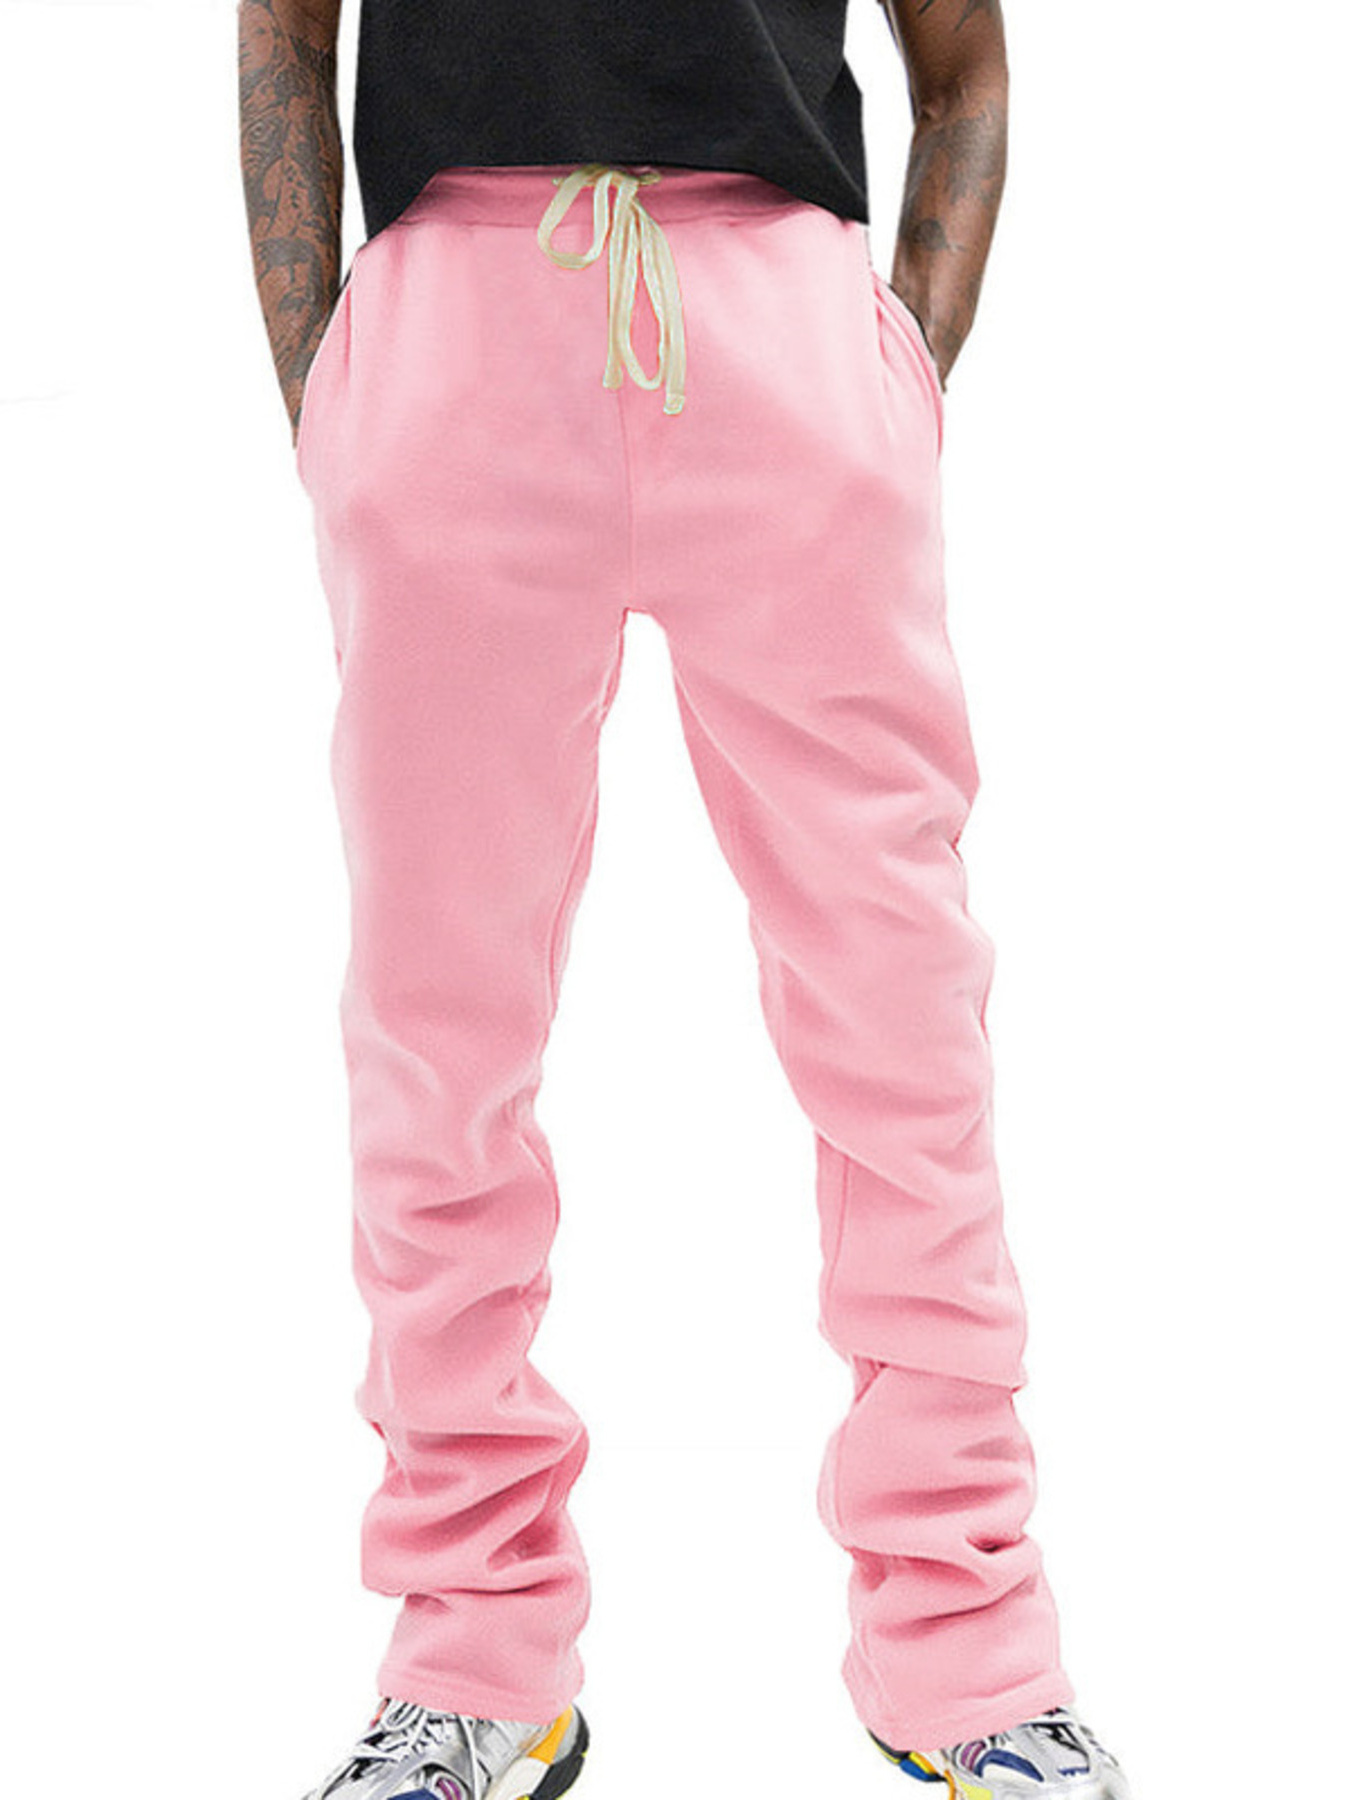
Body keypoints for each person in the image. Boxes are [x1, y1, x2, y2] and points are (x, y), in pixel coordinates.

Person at [237, 1, 1133, 1795]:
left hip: (779, 327)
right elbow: (282, 34)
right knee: (435, 1042)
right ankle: (472, 1656)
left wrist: (897, 372)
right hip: (452, 331)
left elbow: (962, 59)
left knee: (899, 1030)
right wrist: (331, 385)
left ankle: (963, 1649)